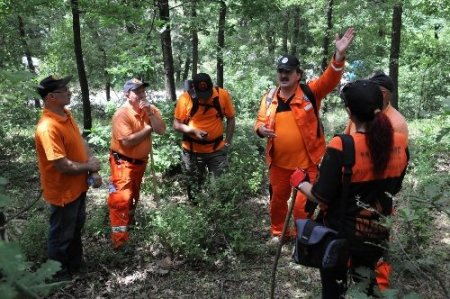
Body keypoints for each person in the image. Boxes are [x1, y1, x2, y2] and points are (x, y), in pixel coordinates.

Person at [290, 80, 409, 298]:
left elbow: (319, 195)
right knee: (368, 286)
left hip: (340, 235)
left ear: (348, 112)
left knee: (333, 289)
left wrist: (299, 181)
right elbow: (396, 188)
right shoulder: (401, 143)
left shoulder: (342, 145)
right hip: (377, 233)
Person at [254, 28, 355, 244]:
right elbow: (260, 122)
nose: (283, 75)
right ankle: (279, 232)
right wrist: (261, 130)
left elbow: (330, 79)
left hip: (307, 164)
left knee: (303, 205)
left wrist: (338, 56)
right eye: (280, 71)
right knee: (277, 201)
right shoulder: (269, 98)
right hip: (278, 164)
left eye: (288, 71)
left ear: (297, 75)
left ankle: (302, 236)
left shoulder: (310, 93)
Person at [344, 71, 408, 290]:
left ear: (383, 94)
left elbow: (398, 165)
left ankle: (379, 288)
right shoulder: (363, 110)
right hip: (355, 190)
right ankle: (358, 281)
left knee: (377, 245)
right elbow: (349, 139)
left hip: (377, 195)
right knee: (355, 243)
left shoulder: (396, 123)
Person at [35, 75, 102, 281]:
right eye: (65, 90)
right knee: (61, 235)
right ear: (52, 97)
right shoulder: (47, 127)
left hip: (78, 187)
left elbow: (80, 141)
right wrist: (88, 166)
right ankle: (57, 275)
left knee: (75, 228)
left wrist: (92, 168)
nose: (70, 92)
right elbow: (61, 165)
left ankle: (75, 265)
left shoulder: (66, 114)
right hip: (63, 191)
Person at [108, 78, 166, 249]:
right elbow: (127, 142)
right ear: (127, 94)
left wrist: (150, 114)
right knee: (121, 200)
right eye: (137, 91)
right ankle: (120, 244)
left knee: (132, 198)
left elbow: (161, 130)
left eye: (142, 90)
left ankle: (128, 229)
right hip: (122, 164)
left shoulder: (150, 109)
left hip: (140, 163)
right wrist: (148, 128)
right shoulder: (122, 114)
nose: (141, 94)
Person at [173, 73, 236, 201]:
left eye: (207, 93)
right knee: (194, 187)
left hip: (217, 150)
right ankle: (196, 209)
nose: (205, 98)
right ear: (194, 89)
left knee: (220, 187)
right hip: (192, 152)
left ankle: (219, 214)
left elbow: (231, 118)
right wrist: (193, 131)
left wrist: (227, 143)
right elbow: (176, 125)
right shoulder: (185, 99)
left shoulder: (222, 95)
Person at [344, 71, 409, 142]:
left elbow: (398, 151)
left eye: (369, 90)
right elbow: (346, 139)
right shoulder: (359, 112)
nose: (365, 92)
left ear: (382, 93)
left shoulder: (397, 123)